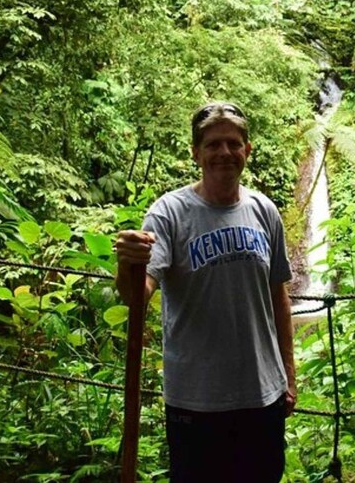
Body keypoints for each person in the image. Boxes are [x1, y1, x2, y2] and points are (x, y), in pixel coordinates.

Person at [114, 102, 296, 482]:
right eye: (213, 144)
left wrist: (288, 377)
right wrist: (127, 263)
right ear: (196, 153)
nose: (224, 153)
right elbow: (137, 295)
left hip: (262, 396)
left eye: (233, 143)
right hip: (196, 400)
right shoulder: (169, 214)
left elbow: (278, 298)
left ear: (248, 150)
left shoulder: (265, 211)